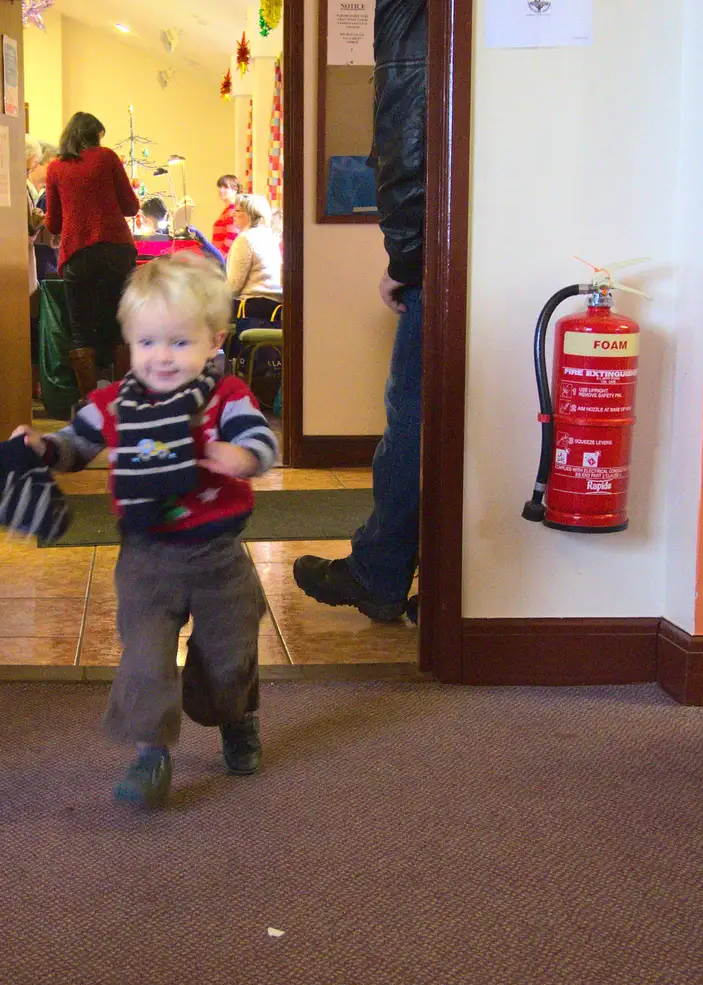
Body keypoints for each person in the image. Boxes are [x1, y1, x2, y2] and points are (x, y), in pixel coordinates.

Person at [12, 254, 278, 808]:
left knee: (230, 654)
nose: (161, 357)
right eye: (147, 343)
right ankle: (150, 752)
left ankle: (235, 716)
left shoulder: (226, 399)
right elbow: (75, 446)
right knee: (146, 656)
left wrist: (244, 456)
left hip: (217, 554)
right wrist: (43, 449)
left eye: (180, 343)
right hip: (147, 555)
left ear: (214, 342)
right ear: (128, 342)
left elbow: (260, 443)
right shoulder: (113, 404)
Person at [292, 0, 426, 622]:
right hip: (491, 245)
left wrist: (404, 260)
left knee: (413, 421)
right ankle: (442, 578)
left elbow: (406, 145)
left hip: (439, 260)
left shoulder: (407, 12)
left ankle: (379, 572)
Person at [46, 112, 141, 395]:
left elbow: (53, 224)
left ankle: (89, 403)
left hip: (78, 254)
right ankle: (124, 397)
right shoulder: (106, 157)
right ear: (94, 135)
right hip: (116, 250)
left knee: (80, 330)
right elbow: (131, 207)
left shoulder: (55, 168)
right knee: (120, 322)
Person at [27, 137, 60, 399]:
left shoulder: (40, 193)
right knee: (33, 327)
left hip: (43, 261)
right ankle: (33, 384)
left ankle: (35, 384)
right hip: (37, 263)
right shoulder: (35, 193)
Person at [225, 193, 284, 337]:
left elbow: (234, 285)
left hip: (252, 306)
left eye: (237, 211)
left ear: (250, 215)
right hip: (273, 306)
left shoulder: (245, 239)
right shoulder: (269, 236)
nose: (233, 214)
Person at [210, 174, 242, 257]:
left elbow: (232, 236)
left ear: (235, 189)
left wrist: (220, 257)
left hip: (225, 259)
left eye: (225, 187)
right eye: (220, 187)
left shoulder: (232, 209)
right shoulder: (228, 209)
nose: (221, 190)